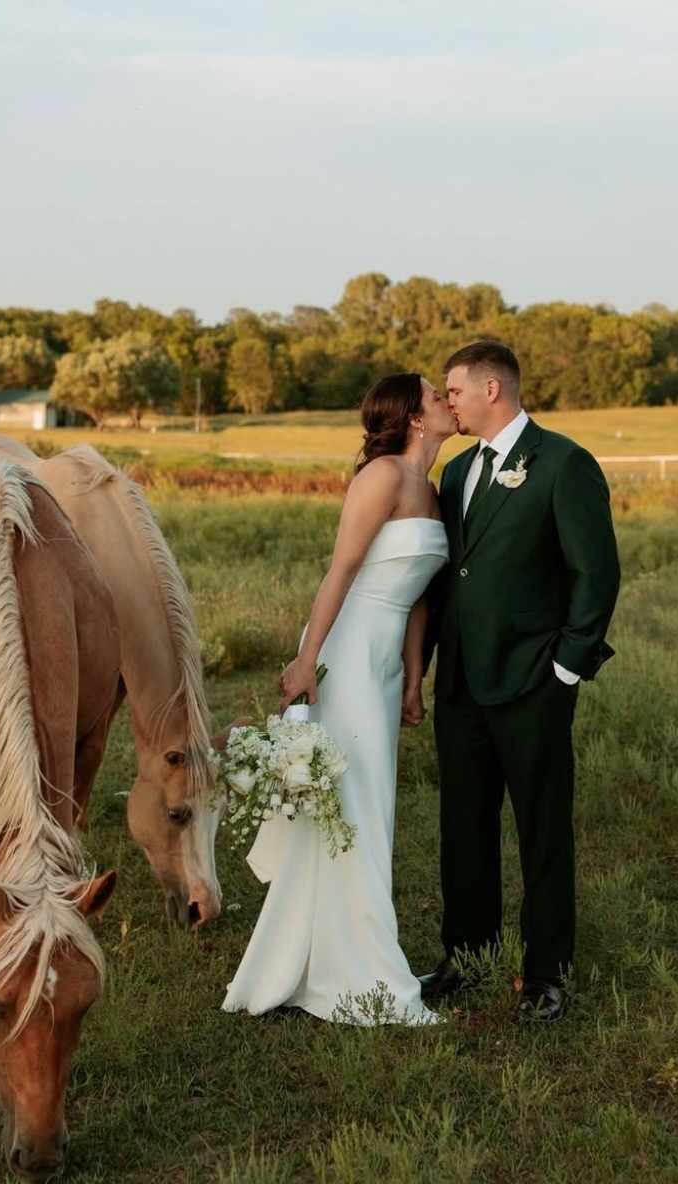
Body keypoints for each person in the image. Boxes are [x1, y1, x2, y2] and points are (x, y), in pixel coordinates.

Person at [222, 373, 456, 1024]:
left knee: (366, 806)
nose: (447, 402)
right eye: (437, 396)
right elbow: (343, 570)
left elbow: (416, 597)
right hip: (345, 653)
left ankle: (333, 960)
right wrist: (306, 660)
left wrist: (413, 678)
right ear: (413, 416)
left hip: (382, 665)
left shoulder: (431, 489)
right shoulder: (381, 477)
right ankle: (362, 973)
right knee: (353, 806)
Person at [419, 340, 620, 1023]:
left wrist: (566, 666)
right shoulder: (455, 474)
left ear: (491, 389)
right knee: (463, 824)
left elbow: (597, 574)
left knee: (541, 826)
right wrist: (423, 671)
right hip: (462, 685)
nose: (449, 402)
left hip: (534, 680)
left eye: (454, 391)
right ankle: (467, 957)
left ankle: (545, 971)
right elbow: (450, 580)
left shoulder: (564, 464)